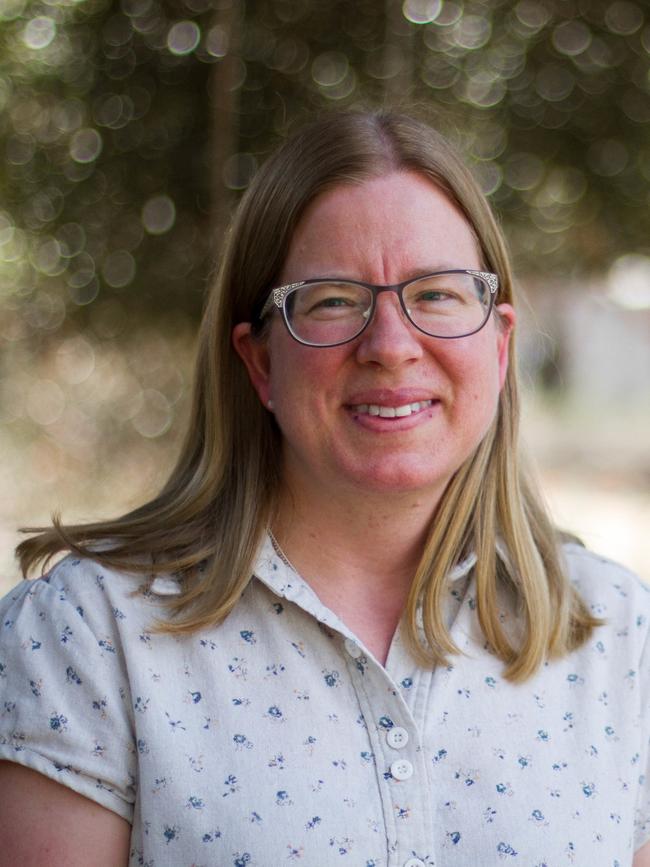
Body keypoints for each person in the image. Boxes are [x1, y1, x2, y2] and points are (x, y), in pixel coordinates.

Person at [0, 110, 648, 867]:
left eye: (436, 293)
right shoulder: (88, 637)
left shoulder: (620, 640)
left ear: (499, 346)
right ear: (261, 362)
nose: (391, 346)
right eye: (334, 300)